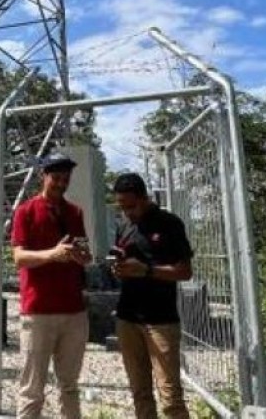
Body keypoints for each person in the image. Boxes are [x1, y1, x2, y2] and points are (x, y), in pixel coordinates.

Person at [10, 152, 93, 419]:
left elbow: (82, 253)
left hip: (73, 311)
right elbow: (19, 257)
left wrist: (83, 257)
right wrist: (52, 254)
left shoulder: (75, 212)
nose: (61, 183)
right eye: (56, 178)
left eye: (65, 179)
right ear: (43, 177)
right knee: (32, 387)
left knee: (69, 386)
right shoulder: (25, 212)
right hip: (38, 312)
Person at [109, 172, 194, 419]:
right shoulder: (124, 226)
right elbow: (124, 263)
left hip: (161, 320)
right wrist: (119, 269)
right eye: (122, 207)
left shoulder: (169, 223)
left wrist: (146, 270)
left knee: (170, 396)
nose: (127, 212)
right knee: (139, 392)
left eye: (131, 206)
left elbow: (185, 272)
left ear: (145, 198)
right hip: (127, 318)